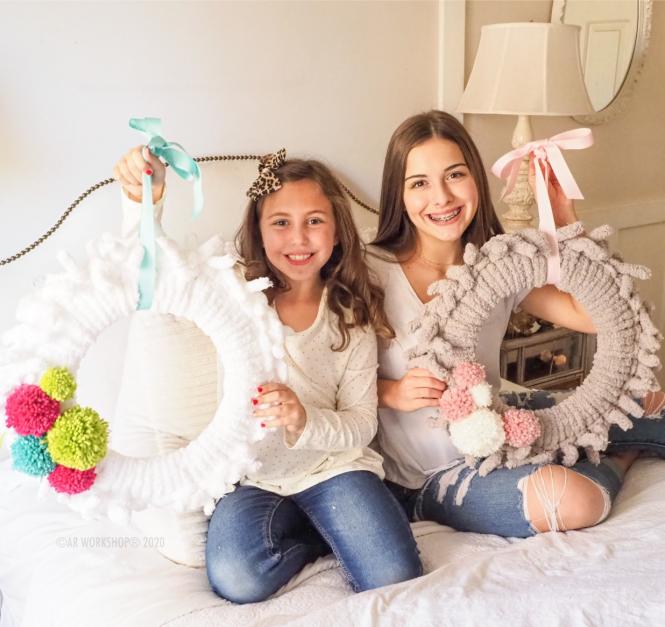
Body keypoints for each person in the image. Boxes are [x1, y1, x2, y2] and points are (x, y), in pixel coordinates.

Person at [113, 147, 422, 604]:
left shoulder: (350, 314)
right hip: (253, 477)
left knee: (393, 572)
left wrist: (304, 420)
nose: (298, 238)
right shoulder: (233, 294)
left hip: (333, 469)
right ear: (258, 230)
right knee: (239, 578)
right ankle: (319, 531)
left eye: (314, 221)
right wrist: (145, 203)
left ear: (337, 231)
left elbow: (361, 423)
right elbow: (154, 279)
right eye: (280, 222)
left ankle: (349, 515)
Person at [367, 110, 665, 537]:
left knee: (653, 400)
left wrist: (565, 224)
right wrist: (391, 392)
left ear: (476, 180)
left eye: (455, 175)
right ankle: (620, 457)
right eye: (419, 183)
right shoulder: (369, 271)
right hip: (429, 474)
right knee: (577, 500)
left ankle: (602, 445)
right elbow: (330, 384)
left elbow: (589, 316)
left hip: (507, 427)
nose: (441, 197)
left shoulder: (499, 266)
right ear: (399, 193)